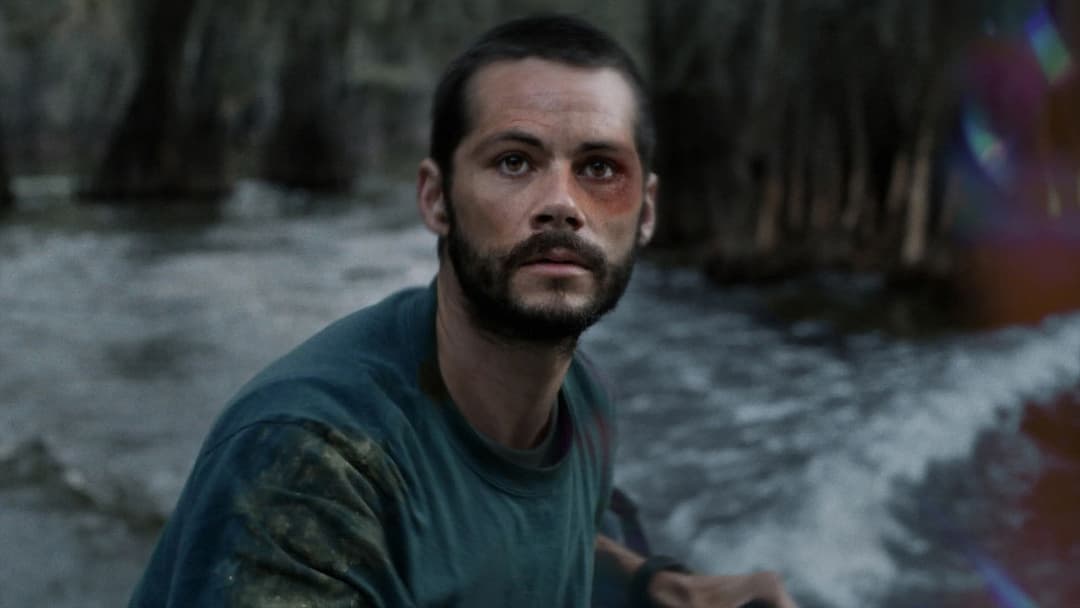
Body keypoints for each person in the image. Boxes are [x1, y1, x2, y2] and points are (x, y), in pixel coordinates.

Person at [129, 14, 797, 608]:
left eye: (598, 168)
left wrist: (664, 586)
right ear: (435, 197)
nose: (562, 203)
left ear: (644, 213)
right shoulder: (314, 463)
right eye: (514, 162)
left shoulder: (584, 403)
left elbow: (534, 536)